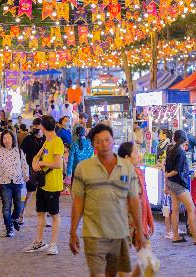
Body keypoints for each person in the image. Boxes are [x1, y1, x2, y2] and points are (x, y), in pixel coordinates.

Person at [69, 124, 143, 277]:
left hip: (120, 233)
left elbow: (134, 201)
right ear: (93, 144)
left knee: (113, 274)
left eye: (107, 140)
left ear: (113, 141)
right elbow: (78, 201)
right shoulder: (83, 168)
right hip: (93, 233)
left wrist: (140, 231)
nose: (104, 145)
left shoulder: (127, 168)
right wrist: (73, 231)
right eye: (99, 141)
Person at [25, 115, 64, 255]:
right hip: (42, 184)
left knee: (54, 214)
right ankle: (39, 241)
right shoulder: (47, 141)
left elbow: (58, 164)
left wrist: (42, 163)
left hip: (53, 184)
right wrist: (36, 162)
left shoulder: (57, 142)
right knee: (41, 213)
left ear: (42, 127)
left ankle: (53, 244)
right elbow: (36, 156)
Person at [165, 130, 196, 246]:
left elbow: (167, 169)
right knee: (191, 208)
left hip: (171, 183)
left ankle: (175, 236)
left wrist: (166, 181)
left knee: (174, 209)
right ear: (184, 139)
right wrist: (168, 175)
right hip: (179, 184)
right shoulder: (180, 152)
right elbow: (176, 171)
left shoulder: (170, 150)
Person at [118, 142, 154, 277]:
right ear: (127, 157)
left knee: (147, 257)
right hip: (123, 223)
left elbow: (144, 197)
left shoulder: (139, 172)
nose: (139, 156)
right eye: (136, 153)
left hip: (139, 221)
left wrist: (149, 218)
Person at [0, 130, 29, 237]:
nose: (6, 140)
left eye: (8, 137)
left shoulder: (19, 151)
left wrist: (26, 175)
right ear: (2, 140)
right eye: (4, 138)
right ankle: (9, 228)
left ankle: (13, 219)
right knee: (6, 207)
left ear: (13, 139)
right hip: (4, 183)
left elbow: (24, 165)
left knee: (19, 206)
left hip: (18, 183)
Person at [19, 117, 46, 224]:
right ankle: (22, 213)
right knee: (29, 193)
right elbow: (21, 153)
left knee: (44, 193)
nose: (36, 127)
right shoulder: (28, 139)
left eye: (38, 125)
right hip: (30, 169)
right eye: (34, 126)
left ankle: (44, 217)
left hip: (44, 170)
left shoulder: (46, 139)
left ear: (42, 127)